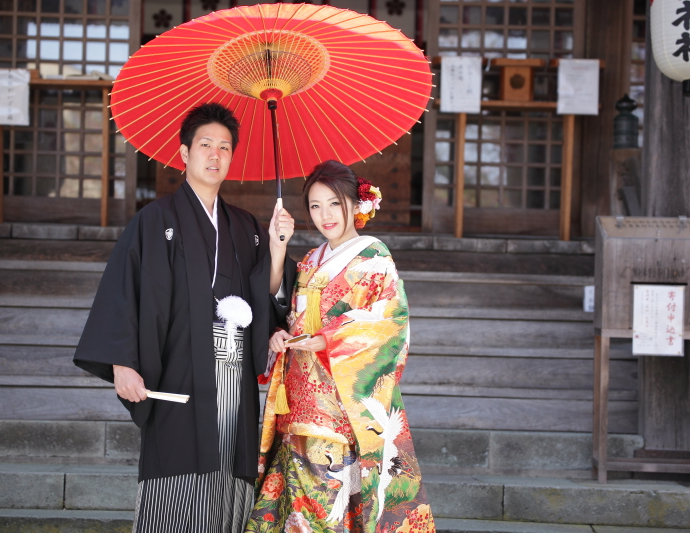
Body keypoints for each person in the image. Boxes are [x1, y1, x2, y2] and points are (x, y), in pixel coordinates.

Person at [73, 102, 296, 533]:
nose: (216, 155)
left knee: (229, 473)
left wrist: (278, 247)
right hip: (176, 373)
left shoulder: (248, 226)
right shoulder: (154, 221)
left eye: (225, 147)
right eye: (206, 145)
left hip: (233, 373)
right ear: (184, 153)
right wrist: (122, 362)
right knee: (175, 478)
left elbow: (267, 294)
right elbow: (125, 292)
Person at [246, 160, 436, 533]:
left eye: (334, 203)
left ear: (356, 203)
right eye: (315, 206)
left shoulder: (374, 257)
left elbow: (389, 322)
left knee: (327, 502)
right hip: (298, 399)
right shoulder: (313, 260)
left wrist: (330, 337)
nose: (324, 215)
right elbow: (289, 312)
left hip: (339, 404)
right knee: (296, 500)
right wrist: (279, 332)